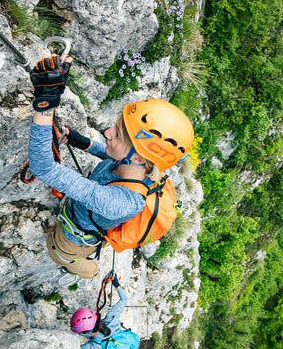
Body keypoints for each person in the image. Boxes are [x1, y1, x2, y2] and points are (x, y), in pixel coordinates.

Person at [28, 54, 195, 279]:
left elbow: (43, 166)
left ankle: (84, 270)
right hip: (80, 215)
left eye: (116, 134)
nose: (107, 133)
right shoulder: (137, 167)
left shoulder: (119, 203)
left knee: (56, 250)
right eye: (114, 127)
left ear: (138, 159)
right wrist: (83, 142)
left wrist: (45, 104)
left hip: (70, 244)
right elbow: (112, 156)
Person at [71, 275, 138, 349]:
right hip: (132, 341)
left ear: (88, 334)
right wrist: (116, 283)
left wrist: (116, 284)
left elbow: (124, 299)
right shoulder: (111, 320)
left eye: (81, 333)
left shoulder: (94, 346)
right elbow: (124, 299)